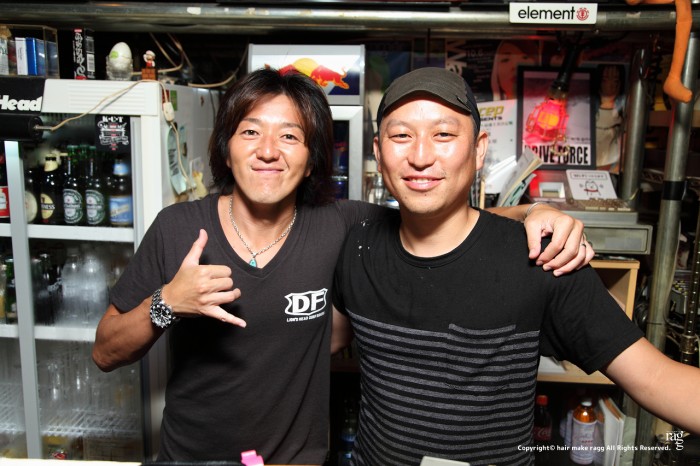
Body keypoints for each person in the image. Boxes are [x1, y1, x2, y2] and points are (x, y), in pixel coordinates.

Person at [92, 68, 592, 465]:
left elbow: (439, 215)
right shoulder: (178, 228)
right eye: (250, 132)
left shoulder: (340, 226)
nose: (268, 151)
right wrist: (166, 303)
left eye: (290, 137)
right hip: (192, 457)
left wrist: (535, 211)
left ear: (311, 159)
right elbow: (105, 351)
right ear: (227, 146)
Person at [331, 67, 700, 466]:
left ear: (479, 150)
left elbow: (656, 378)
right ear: (378, 151)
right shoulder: (356, 246)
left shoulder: (540, 255)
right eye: (401, 136)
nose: (421, 157)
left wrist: (534, 210)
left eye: (444, 135)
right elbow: (318, 344)